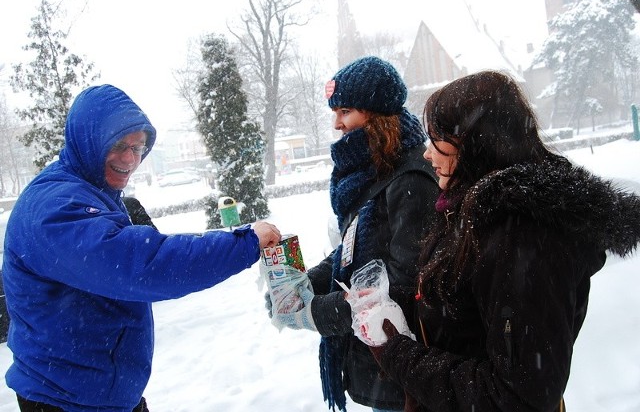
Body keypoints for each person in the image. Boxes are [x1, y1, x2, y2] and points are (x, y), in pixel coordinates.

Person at [364, 70, 640, 411]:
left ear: (476, 142)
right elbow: (463, 311)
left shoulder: (523, 237)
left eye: (437, 139)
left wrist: (399, 356)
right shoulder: (470, 208)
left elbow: (519, 397)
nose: (426, 153)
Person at [1, 84, 281, 412]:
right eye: (119, 145)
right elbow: (145, 265)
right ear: (89, 139)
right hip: (66, 399)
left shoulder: (93, 190)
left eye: (139, 147)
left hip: (97, 392)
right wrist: (244, 243)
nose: (130, 159)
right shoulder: (56, 208)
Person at [271, 56, 440, 412]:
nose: (336, 124)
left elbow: (406, 284)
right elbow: (354, 247)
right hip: (378, 357)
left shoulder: (410, 176)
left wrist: (321, 311)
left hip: (404, 362)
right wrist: (302, 284)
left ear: (375, 113)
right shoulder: (373, 169)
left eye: (345, 111)